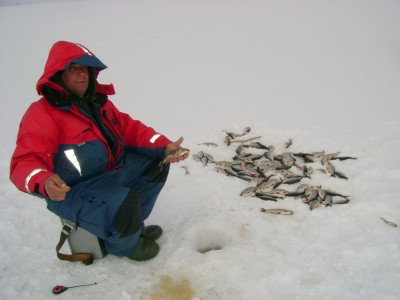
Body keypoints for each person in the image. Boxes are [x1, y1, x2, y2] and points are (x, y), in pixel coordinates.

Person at [10, 41, 189, 261]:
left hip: (110, 171)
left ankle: (133, 227)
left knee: (156, 163)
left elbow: (129, 128)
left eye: (84, 69)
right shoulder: (42, 113)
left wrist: (163, 146)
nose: (81, 74)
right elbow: (24, 162)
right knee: (122, 199)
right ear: (58, 74)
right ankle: (124, 245)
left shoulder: (97, 102)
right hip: (75, 190)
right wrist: (44, 182)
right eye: (73, 68)